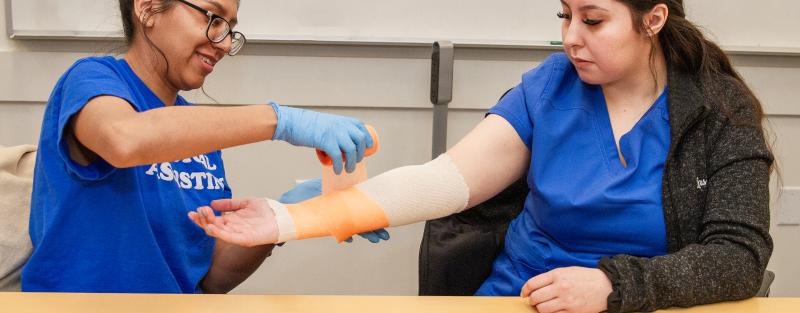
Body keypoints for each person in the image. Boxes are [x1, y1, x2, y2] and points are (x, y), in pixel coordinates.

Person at [190, 0, 774, 312]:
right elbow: (446, 181)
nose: (572, 36)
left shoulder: (721, 112)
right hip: (519, 299)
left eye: (593, 20)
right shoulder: (551, 86)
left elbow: (738, 258)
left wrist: (613, 287)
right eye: (565, 16)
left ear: (653, 20)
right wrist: (293, 219)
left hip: (636, 303)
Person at [22, 0, 385, 294]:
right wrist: (282, 120)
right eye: (213, 17)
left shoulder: (193, 132)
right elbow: (124, 139)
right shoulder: (91, 79)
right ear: (147, 7)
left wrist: (288, 215)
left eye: (230, 27)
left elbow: (208, 277)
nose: (225, 42)